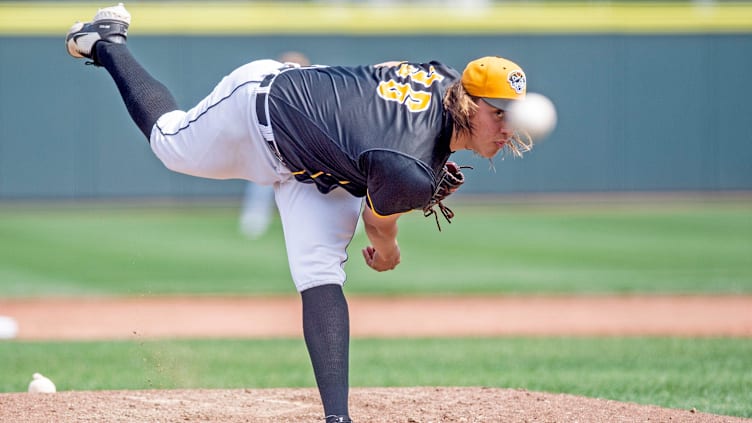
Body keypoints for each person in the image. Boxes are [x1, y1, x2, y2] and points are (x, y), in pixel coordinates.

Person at [65, 4, 533, 422]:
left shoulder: (445, 76)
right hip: (261, 110)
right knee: (170, 144)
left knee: (320, 273)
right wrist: (388, 252)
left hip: (321, 166)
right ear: (468, 103)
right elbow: (377, 225)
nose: (508, 127)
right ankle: (109, 41)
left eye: (515, 115)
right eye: (499, 113)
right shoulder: (407, 168)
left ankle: (337, 418)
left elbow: (389, 72)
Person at [239, 51, 312, 239]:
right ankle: (254, 220)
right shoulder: (268, 91)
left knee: (333, 182)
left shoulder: (312, 93)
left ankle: (348, 221)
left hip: (304, 153)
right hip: (273, 150)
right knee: (261, 182)